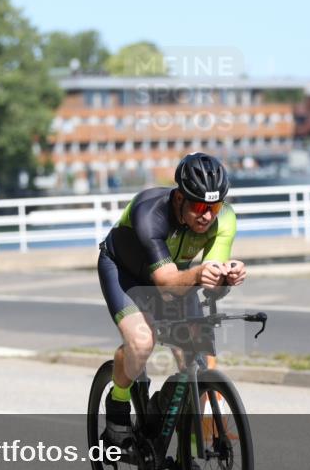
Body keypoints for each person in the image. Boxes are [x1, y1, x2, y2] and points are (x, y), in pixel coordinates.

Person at [97, 153, 246, 452]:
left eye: (214, 206)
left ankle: (188, 450)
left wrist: (225, 277)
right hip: (125, 274)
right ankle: (118, 405)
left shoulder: (225, 219)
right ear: (179, 197)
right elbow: (165, 282)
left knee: (197, 354)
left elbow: (208, 275)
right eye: (199, 206)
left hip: (176, 276)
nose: (207, 215)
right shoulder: (149, 212)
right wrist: (200, 274)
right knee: (141, 342)